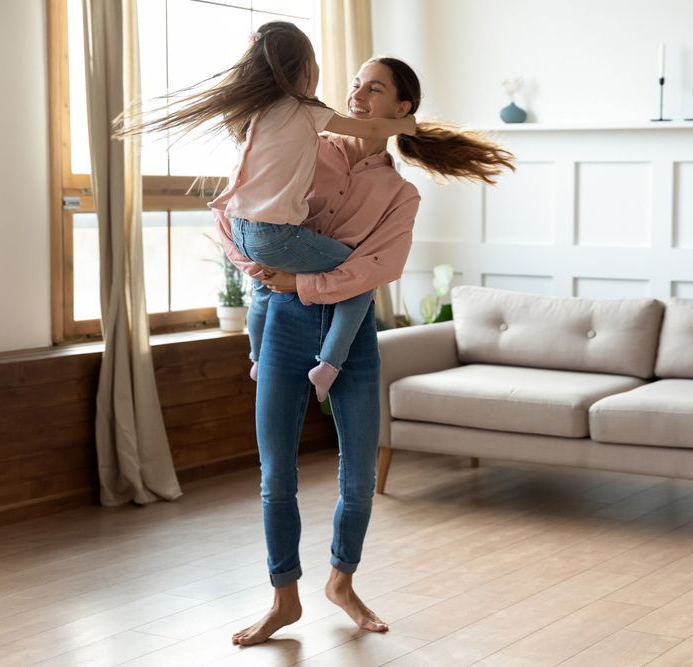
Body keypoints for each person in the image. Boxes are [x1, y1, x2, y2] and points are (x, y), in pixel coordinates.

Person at [216, 56, 515, 646]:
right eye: (354, 84)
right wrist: (263, 273)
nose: (356, 94)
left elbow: (378, 268)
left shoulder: (399, 195)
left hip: (351, 338)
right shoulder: (302, 143)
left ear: (401, 110)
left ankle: (341, 582)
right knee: (277, 476)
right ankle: (284, 598)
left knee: (357, 478)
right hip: (281, 322)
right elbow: (236, 217)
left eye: (373, 88)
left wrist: (299, 281)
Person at [117, 21, 416, 401]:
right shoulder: (309, 112)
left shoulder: (262, 110)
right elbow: (370, 130)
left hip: (242, 226)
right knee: (358, 281)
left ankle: (257, 356)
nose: (355, 91)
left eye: (372, 87)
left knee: (260, 289)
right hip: (275, 234)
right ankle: (329, 365)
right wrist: (407, 124)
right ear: (305, 69)